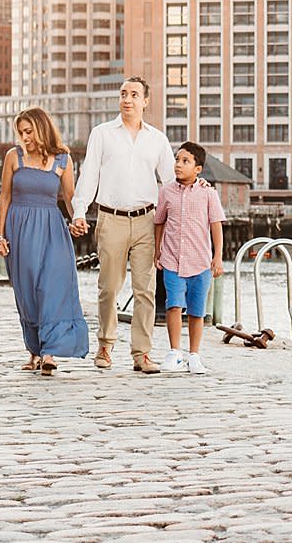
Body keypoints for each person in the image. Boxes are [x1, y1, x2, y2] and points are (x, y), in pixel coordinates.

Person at [70, 76, 173, 374]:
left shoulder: (157, 139)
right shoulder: (102, 134)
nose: (127, 99)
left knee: (146, 290)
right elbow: (89, 175)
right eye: (123, 94)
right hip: (110, 218)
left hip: (146, 221)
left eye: (134, 94)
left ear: (145, 101)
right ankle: (105, 343)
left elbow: (169, 182)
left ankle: (142, 353)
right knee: (109, 287)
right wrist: (79, 211)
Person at [0, 107, 90, 375]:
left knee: (52, 287)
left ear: (42, 128)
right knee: (27, 292)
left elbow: (70, 198)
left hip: (52, 229)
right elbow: (5, 198)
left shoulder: (63, 159)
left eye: (29, 131)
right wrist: (1, 234)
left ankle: (50, 352)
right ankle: (34, 350)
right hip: (20, 228)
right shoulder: (13, 157)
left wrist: (78, 219)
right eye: (21, 132)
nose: (25, 137)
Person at [154, 140, 226, 374]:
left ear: (198, 169)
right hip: (173, 260)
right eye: (177, 160)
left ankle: (194, 355)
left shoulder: (208, 194)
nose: (178, 165)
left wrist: (218, 257)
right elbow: (159, 222)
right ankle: (175, 352)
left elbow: (216, 226)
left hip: (200, 262)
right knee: (173, 306)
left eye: (185, 161)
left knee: (197, 311)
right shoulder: (166, 192)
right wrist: (158, 250)